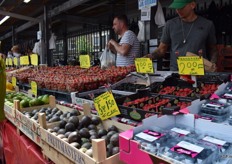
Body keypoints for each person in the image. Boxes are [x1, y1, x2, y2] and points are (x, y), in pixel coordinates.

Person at [146, 0, 218, 71]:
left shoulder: (207, 25)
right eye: (176, 8)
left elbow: (213, 49)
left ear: (192, 5)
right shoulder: (170, 24)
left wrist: (212, 63)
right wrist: (146, 58)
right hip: (176, 72)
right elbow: (161, 50)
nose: (177, 10)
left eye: (181, 7)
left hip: (199, 72)